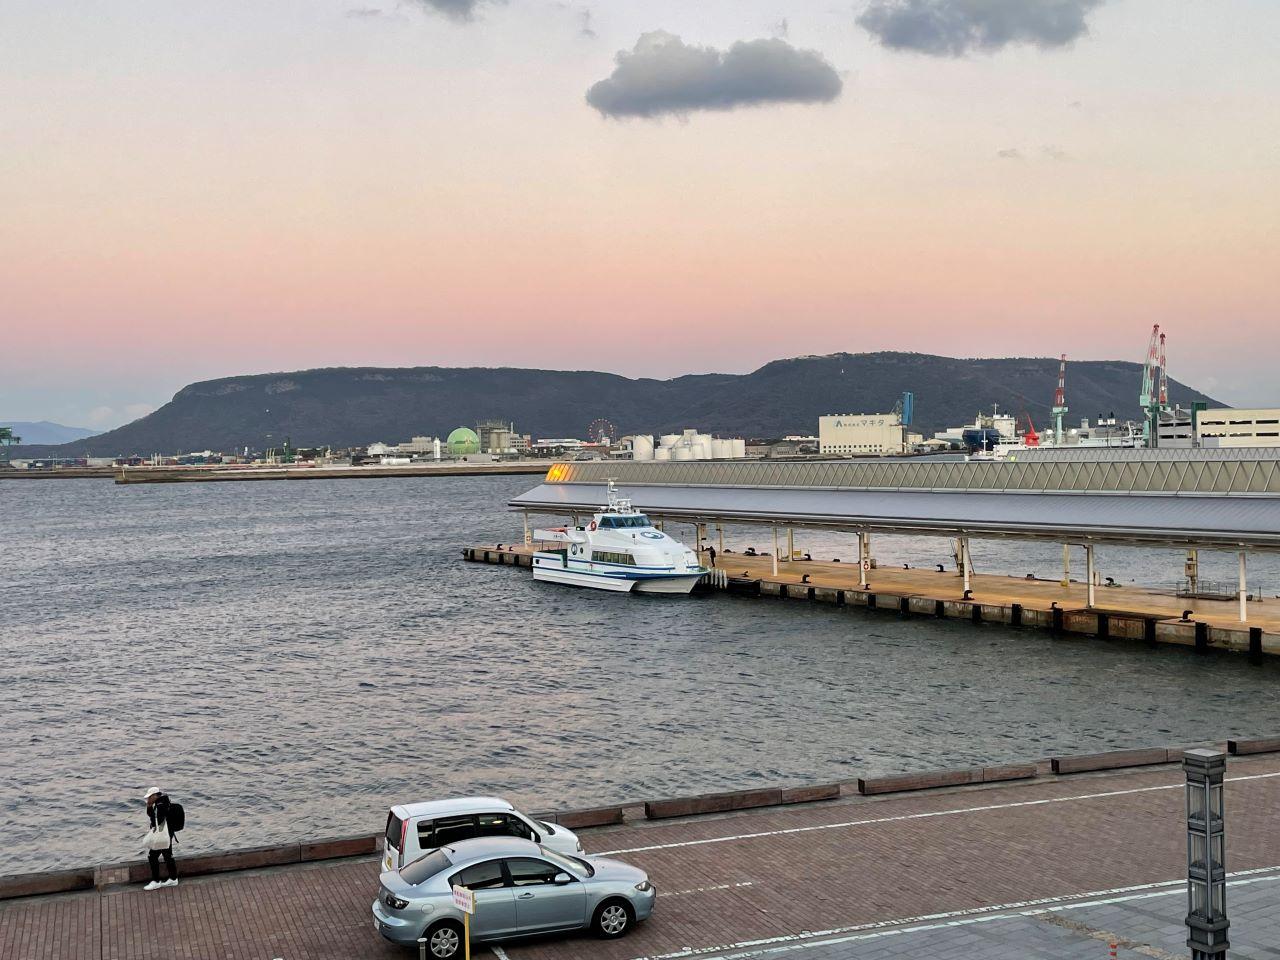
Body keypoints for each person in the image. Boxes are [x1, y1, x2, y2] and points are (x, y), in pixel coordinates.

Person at [143, 787, 178, 890]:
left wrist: (155, 830)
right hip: (167, 833)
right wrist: (149, 806)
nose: (148, 799)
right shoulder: (162, 802)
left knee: (152, 856)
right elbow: (152, 816)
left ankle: (156, 881)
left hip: (162, 834)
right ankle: (173, 878)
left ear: (155, 795)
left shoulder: (160, 805)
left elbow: (157, 820)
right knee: (167, 855)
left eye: (149, 797)